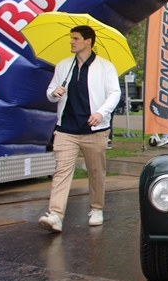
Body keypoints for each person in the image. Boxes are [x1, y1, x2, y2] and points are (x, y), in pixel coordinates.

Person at [38, 26, 121, 233]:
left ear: (88, 41)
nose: (71, 42)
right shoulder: (63, 65)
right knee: (61, 172)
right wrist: (54, 93)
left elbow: (114, 93)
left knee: (96, 171)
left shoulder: (105, 67)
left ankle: (96, 209)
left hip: (94, 129)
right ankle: (55, 215)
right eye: (71, 38)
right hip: (66, 129)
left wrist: (101, 113)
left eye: (75, 38)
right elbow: (50, 92)